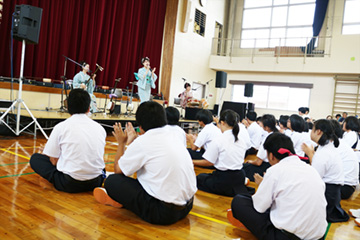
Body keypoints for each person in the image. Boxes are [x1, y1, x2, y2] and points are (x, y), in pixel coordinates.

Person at [93, 101, 197, 225]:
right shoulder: (173, 136)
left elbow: (118, 171)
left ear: (140, 127)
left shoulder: (144, 141)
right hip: (187, 206)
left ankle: (119, 200)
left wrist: (122, 143)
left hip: (163, 213)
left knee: (112, 181)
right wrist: (133, 143)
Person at [228, 133, 327, 240]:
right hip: (318, 237)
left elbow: (259, 207)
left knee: (239, 201)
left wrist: (263, 186)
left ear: (271, 156)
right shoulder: (310, 169)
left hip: (287, 237)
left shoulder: (275, 170)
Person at [29, 89, 106, 193]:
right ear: (89, 108)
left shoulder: (61, 127)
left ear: (67, 107)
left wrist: (49, 153)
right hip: (96, 181)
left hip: (69, 184)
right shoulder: (100, 128)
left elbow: (54, 162)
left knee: (35, 159)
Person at [302, 119, 349, 223]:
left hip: (328, 194)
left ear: (318, 132)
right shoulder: (327, 148)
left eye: (312, 129)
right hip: (332, 192)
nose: (311, 132)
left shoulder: (324, 153)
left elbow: (314, 179)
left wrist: (310, 154)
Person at [194, 110, 249, 197]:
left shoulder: (219, 139)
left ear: (222, 123)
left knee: (199, 178)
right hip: (239, 177)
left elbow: (209, 162)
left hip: (224, 179)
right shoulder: (241, 140)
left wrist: (192, 162)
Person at [243, 114, 277, 181]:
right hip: (274, 167)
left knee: (243, 167)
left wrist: (250, 161)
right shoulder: (278, 135)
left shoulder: (267, 139)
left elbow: (258, 163)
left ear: (266, 128)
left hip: (266, 167)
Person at [330, 120, 359, 199]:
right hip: (345, 183)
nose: (343, 124)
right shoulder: (346, 135)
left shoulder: (351, 134)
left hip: (345, 185)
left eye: (345, 122)